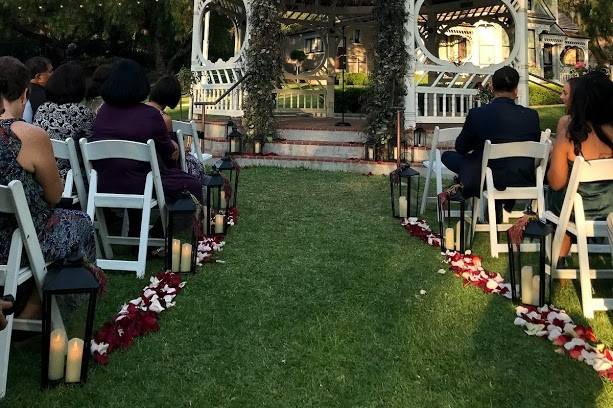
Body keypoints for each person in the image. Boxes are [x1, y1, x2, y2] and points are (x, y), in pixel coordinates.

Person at [0, 56, 101, 319]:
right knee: (79, 222)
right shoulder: (30, 136)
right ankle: (42, 307)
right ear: (25, 93)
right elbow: (55, 195)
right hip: (20, 241)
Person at [91, 59, 202, 203]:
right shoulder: (150, 115)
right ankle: (168, 225)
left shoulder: (102, 112)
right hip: (142, 184)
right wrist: (174, 146)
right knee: (192, 184)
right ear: (140, 84)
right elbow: (169, 154)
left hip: (104, 183)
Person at [441, 66, 541, 201]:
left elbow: (461, 148)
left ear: (492, 87)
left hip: (488, 177)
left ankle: (463, 186)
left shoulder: (478, 114)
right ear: (516, 88)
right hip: (522, 176)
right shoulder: (531, 116)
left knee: (447, 156)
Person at [547, 72, 613, 258]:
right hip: (611, 212)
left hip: (579, 212)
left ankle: (559, 258)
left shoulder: (571, 134)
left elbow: (556, 183)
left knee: (561, 199)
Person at [146, 75, 207, 182]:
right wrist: (181, 149)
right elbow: (170, 153)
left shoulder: (139, 111)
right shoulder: (164, 119)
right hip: (161, 170)